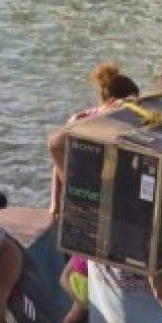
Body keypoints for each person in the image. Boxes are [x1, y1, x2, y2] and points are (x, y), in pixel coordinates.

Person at [48, 63, 141, 219]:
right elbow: (58, 157)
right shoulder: (84, 120)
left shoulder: (125, 122)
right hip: (84, 187)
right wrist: (55, 204)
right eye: (132, 104)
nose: (136, 108)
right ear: (113, 102)